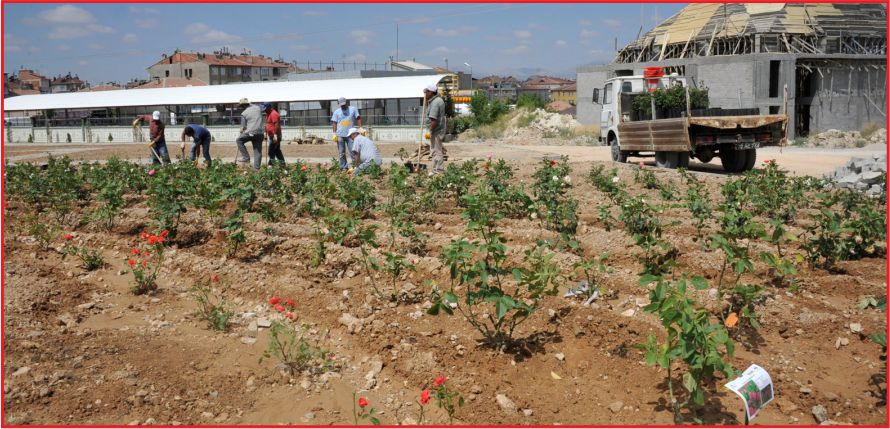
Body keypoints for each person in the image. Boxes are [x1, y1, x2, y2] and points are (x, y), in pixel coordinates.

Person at [330, 97, 362, 170]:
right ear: (339, 104)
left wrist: (360, 128)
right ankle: (344, 167)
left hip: (351, 135)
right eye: (341, 105)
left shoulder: (353, 109)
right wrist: (334, 133)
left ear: (346, 102)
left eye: (344, 104)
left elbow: (358, 118)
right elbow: (334, 122)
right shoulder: (336, 112)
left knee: (353, 151)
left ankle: (356, 167)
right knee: (342, 153)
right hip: (340, 135)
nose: (343, 106)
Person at [235, 98, 264, 169]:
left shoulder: (244, 113)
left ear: (243, 105)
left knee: (239, 140)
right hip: (260, 133)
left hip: (250, 133)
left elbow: (243, 127)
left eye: (241, 106)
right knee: (257, 152)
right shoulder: (258, 108)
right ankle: (257, 168)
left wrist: (241, 129)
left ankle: (246, 157)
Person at [424, 84, 446, 175]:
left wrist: (430, 130)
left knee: (436, 150)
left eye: (427, 92)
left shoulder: (436, 102)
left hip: (436, 130)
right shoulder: (436, 101)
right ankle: (436, 169)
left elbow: (434, 119)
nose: (426, 93)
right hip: (438, 129)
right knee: (435, 150)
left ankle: (439, 169)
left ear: (432, 92)